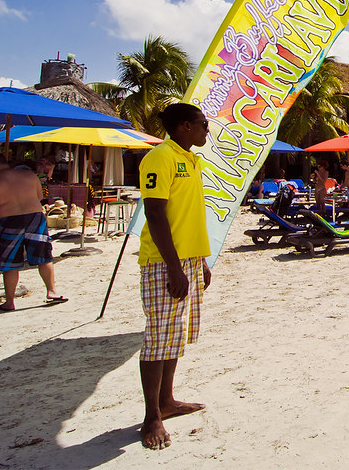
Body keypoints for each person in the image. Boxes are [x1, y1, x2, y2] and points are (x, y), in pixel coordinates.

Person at [137, 103, 212, 450]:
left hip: (189, 260)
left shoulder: (190, 159)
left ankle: (166, 401)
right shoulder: (160, 157)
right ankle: (151, 416)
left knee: (173, 336)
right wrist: (172, 266)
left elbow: (187, 215)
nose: (206, 130)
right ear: (184, 126)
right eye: (202, 124)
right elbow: (154, 212)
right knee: (158, 338)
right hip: (165, 263)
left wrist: (200, 261)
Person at [0, 152, 67, 311]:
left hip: (9, 220)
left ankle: (10, 302)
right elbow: (39, 196)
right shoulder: (30, 175)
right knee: (44, 256)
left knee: (10, 263)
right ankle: (52, 291)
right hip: (34, 217)